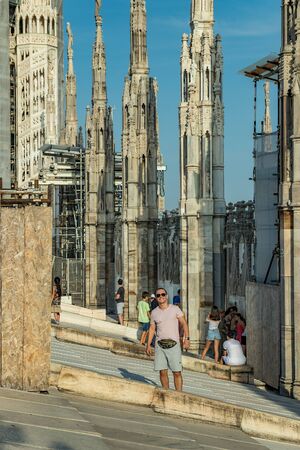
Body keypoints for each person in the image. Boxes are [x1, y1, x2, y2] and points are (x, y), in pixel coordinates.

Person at [146, 288, 190, 391]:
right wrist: (148, 344)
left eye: (163, 294)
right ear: (156, 298)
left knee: (177, 372)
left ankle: (179, 394)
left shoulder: (175, 309)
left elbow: (184, 323)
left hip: (174, 344)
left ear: (167, 296)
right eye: (158, 295)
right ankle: (167, 393)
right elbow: (152, 328)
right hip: (159, 344)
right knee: (162, 371)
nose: (161, 297)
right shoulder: (154, 312)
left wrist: (187, 339)